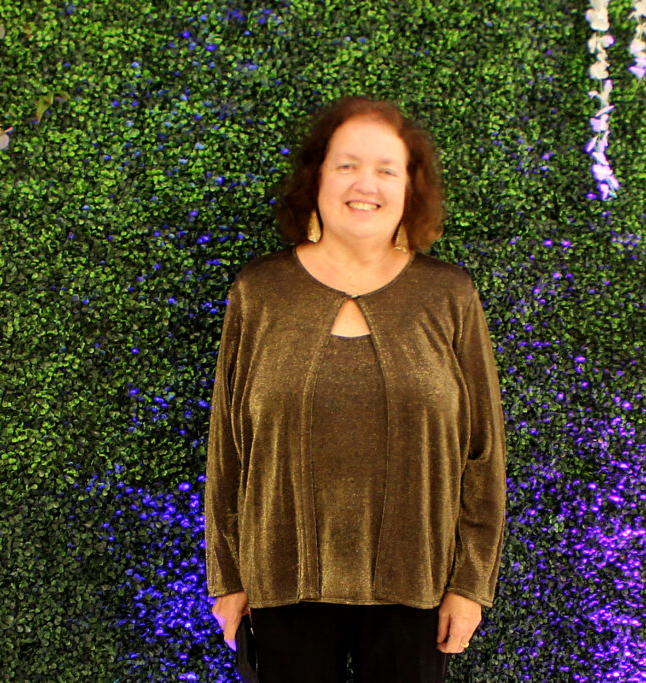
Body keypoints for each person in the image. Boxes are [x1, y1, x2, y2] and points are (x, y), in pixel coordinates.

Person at [204, 96, 507, 683]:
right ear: (316, 178)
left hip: (417, 591)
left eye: (386, 169)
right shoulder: (260, 292)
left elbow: (483, 452)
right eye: (346, 165)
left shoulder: (449, 296)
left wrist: (471, 582)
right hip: (280, 587)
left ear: (410, 189)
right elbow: (228, 448)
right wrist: (229, 575)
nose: (365, 183)